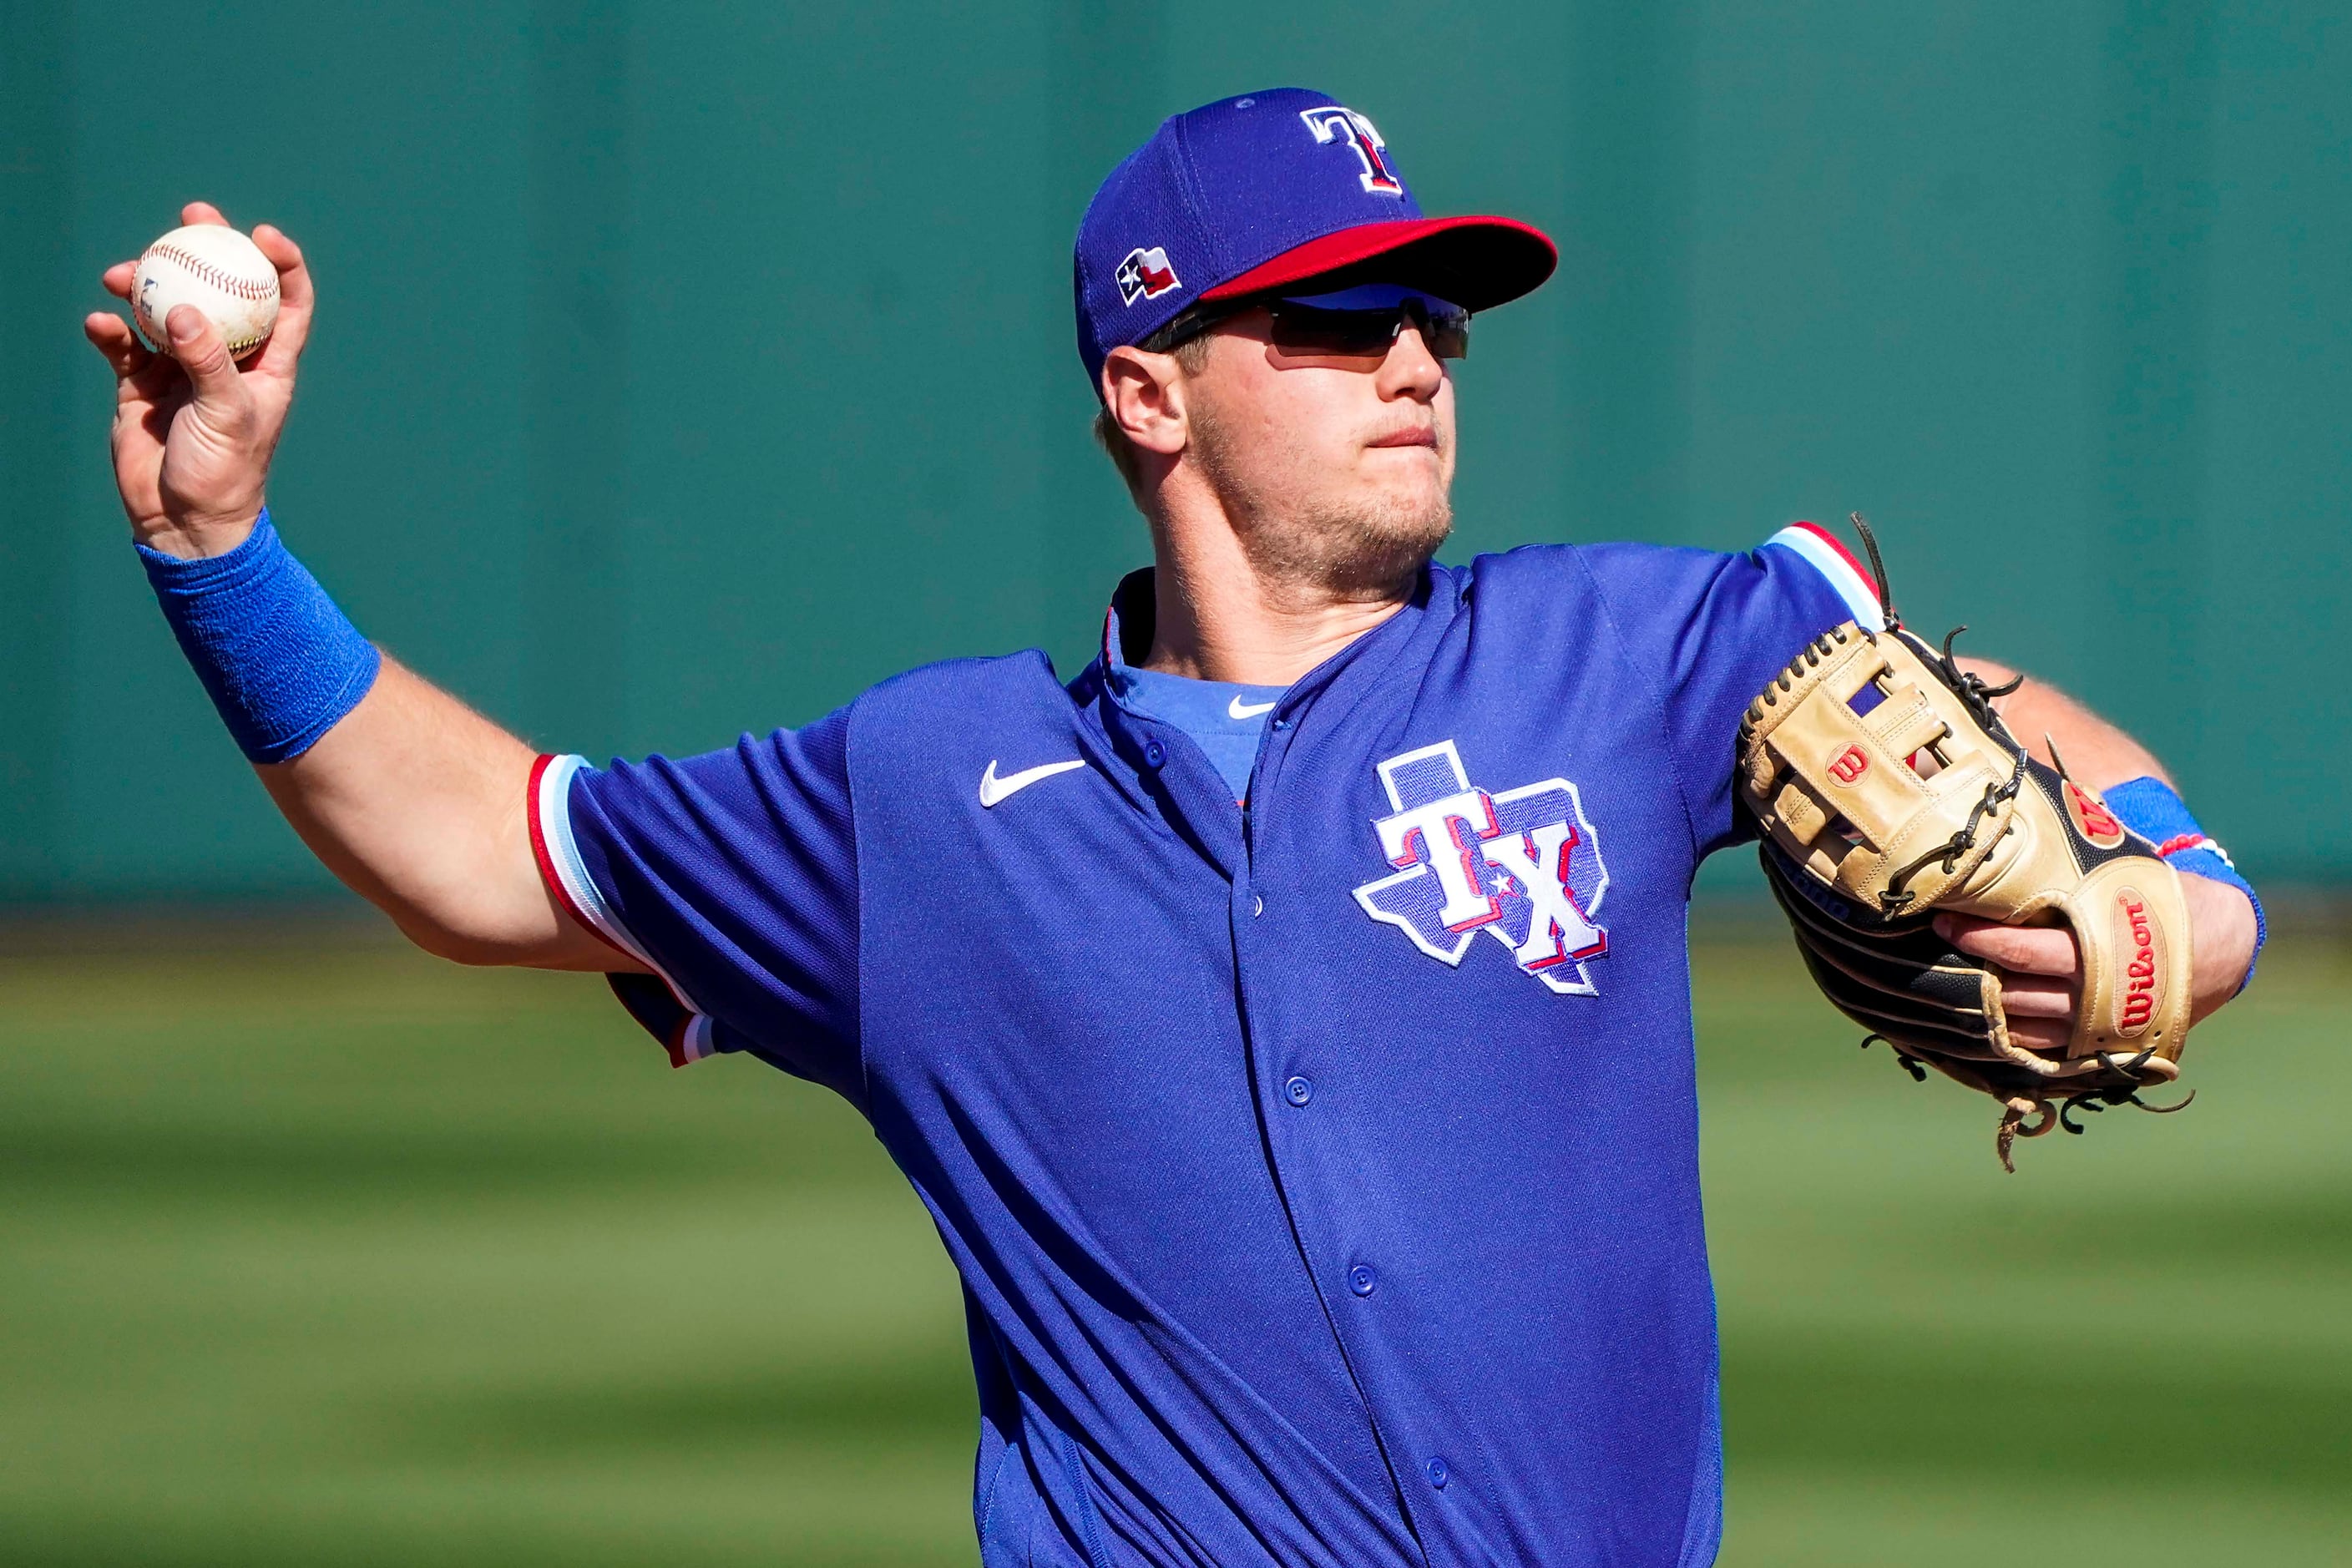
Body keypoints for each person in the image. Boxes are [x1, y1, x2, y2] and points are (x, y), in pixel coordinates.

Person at [87, 89, 2259, 1568]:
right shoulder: (920, 798)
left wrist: (2176, 878)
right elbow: (487, 853)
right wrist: (218, 547)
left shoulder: (1606, 655)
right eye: (1331, 319)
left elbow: (1968, 708)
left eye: (1433, 316)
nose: (1412, 358)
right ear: (1148, 385)